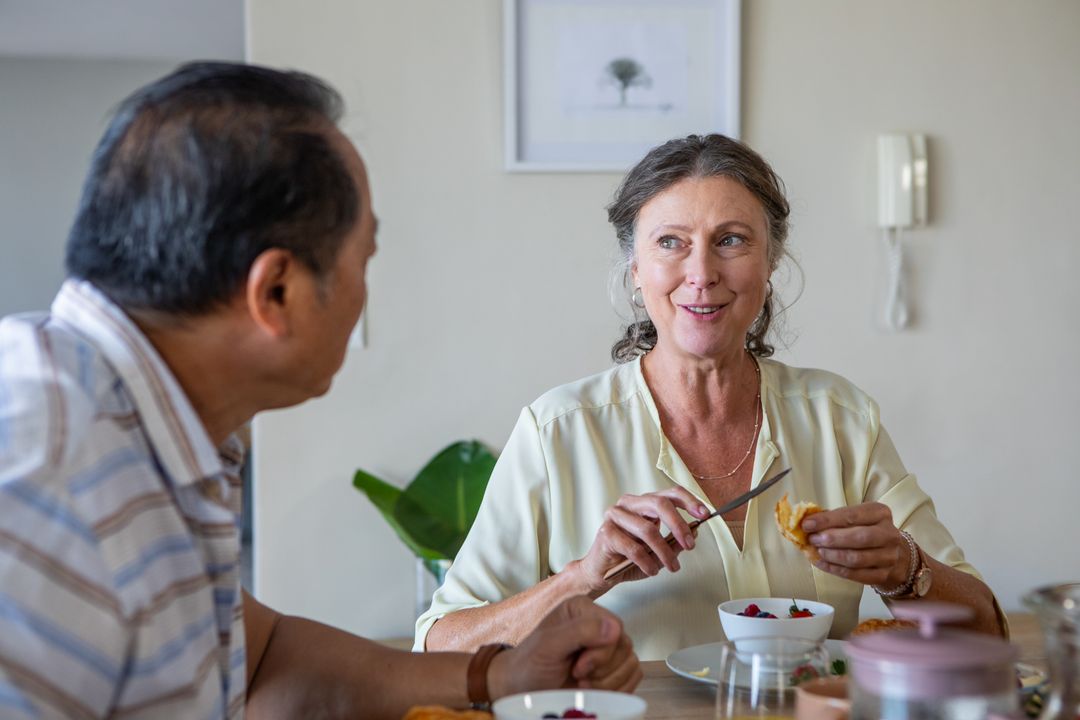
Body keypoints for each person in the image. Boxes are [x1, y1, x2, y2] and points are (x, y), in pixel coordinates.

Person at [0, 62, 640, 719]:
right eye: (363, 259)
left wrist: (498, 675)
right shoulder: (41, 487)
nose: (365, 292)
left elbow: (267, 653)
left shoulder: (158, 432)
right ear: (276, 291)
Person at [417, 134, 1006, 661]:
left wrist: (909, 570)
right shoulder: (557, 432)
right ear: (635, 269)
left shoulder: (842, 418)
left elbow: (989, 631)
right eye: (671, 242)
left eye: (731, 240)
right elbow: (439, 643)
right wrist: (583, 578)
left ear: (770, 263)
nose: (701, 272)